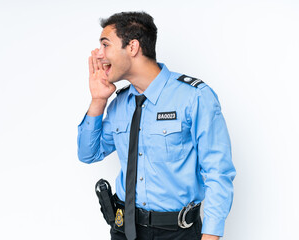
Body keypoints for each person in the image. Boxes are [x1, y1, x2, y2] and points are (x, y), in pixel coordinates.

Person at [77, 11, 236, 240]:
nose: (98, 55)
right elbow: (88, 154)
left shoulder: (194, 97)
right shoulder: (119, 103)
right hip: (124, 229)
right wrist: (98, 100)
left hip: (176, 233)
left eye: (105, 45)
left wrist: (211, 235)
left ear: (132, 47)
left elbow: (218, 171)